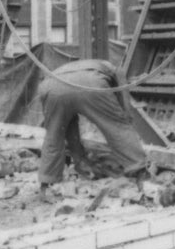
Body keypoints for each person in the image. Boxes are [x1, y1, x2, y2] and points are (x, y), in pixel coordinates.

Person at [37, 58, 148, 194]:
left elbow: (69, 132)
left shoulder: (73, 66)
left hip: (51, 85)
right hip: (89, 83)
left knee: (54, 134)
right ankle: (140, 173)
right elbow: (122, 102)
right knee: (117, 125)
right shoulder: (112, 68)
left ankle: (46, 184)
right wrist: (125, 116)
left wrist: (79, 158)